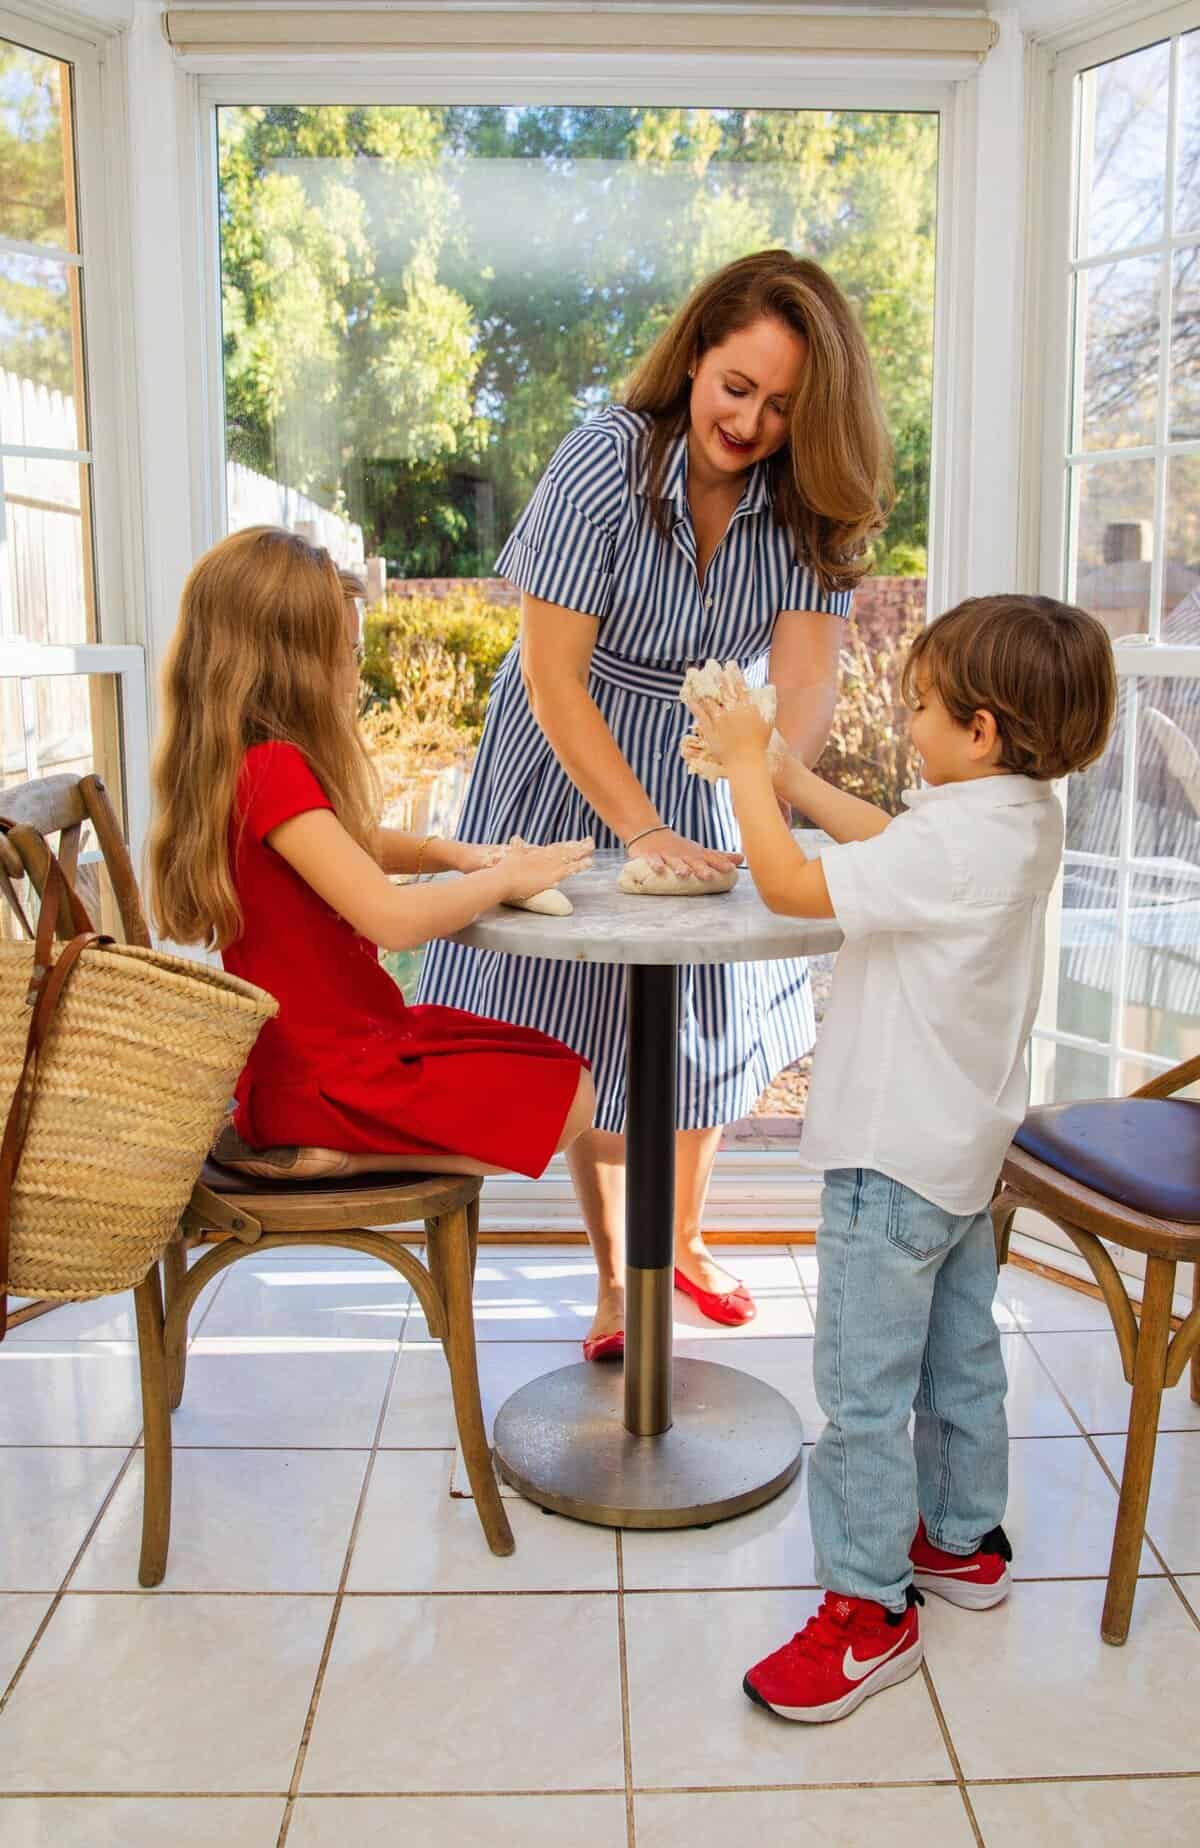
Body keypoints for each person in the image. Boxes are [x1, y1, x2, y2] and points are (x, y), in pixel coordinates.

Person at [419, 249, 892, 1358]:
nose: (753, 423)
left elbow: (810, 678)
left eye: (782, 406)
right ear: (693, 360)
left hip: (709, 749)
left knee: (707, 1026)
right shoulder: (603, 462)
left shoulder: (804, 499)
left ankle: (678, 1238)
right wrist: (642, 827)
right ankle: (617, 1280)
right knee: (602, 1032)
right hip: (572, 758)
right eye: (738, 387)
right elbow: (551, 677)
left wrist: (758, 780)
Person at [687, 594, 1116, 1723]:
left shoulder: (958, 836)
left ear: (979, 731)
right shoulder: (1024, 815)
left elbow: (790, 888)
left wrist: (741, 771)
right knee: (961, 1352)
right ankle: (965, 1540)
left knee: (863, 1395)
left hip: (887, 1161)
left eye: (921, 708)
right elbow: (898, 844)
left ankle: (868, 1611)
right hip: (964, 1150)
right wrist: (784, 769)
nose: (906, 721)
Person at [148, 526, 595, 1183]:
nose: (357, 675)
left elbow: (347, 844)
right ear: (292, 666)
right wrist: (507, 876)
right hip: (325, 1077)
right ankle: (345, 1158)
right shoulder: (272, 769)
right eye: (348, 655)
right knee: (570, 1099)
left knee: (557, 1067)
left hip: (325, 1051)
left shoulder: (245, 767)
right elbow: (392, 920)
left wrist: (454, 853)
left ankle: (334, 1148)